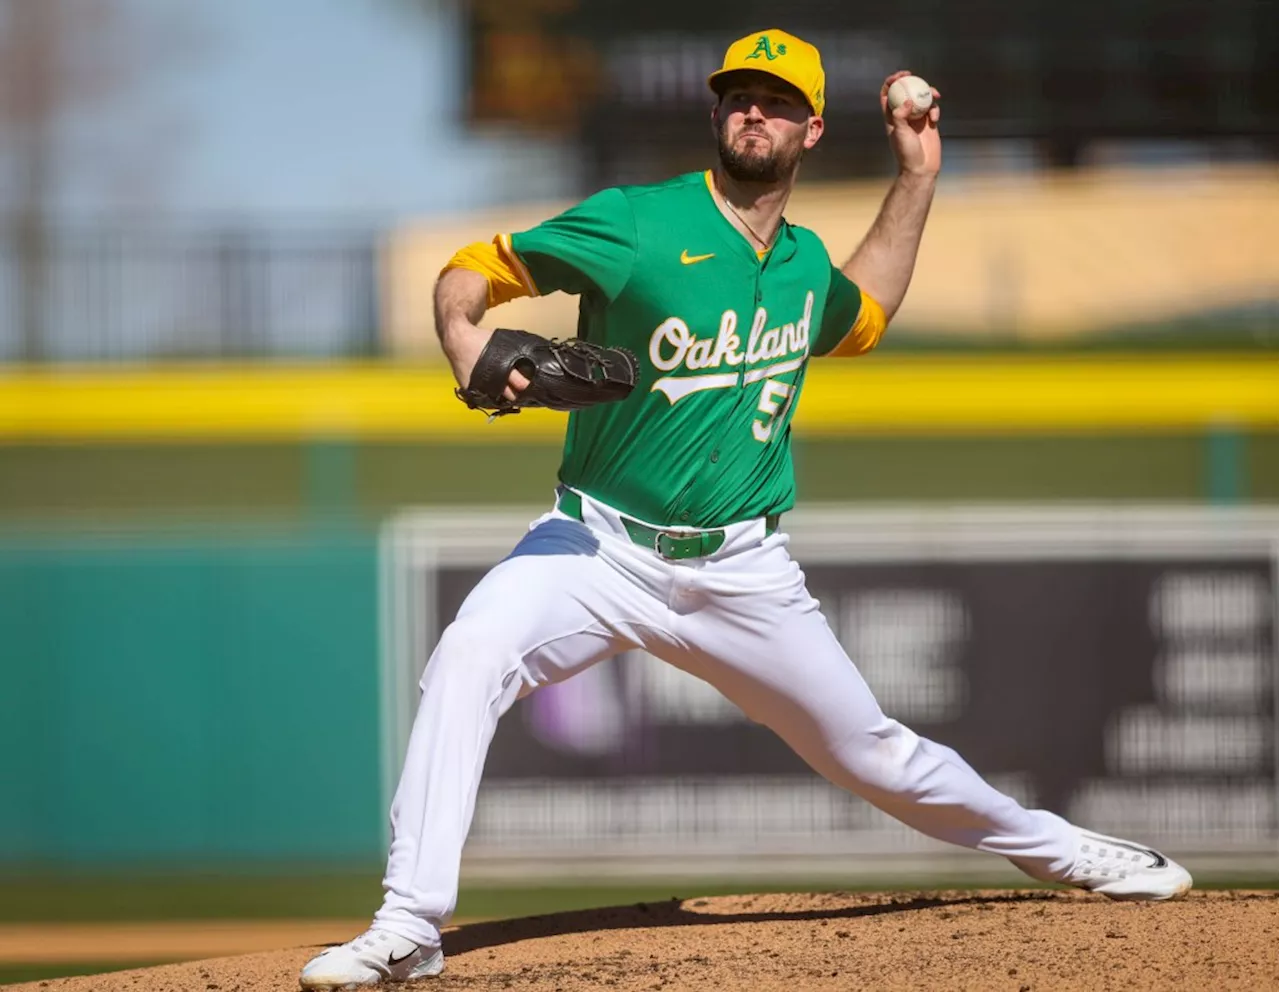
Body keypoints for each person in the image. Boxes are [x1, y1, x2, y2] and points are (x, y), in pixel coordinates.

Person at [300, 28, 1191, 989]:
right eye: (736, 95)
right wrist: (463, 340)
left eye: (774, 99)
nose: (751, 111)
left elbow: (868, 314)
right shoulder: (638, 222)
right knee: (468, 655)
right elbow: (474, 265)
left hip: (743, 573)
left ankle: (1064, 852)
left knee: (878, 756)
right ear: (716, 113)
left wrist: (918, 174)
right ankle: (410, 925)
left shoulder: (804, 264)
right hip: (597, 548)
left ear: (811, 129)